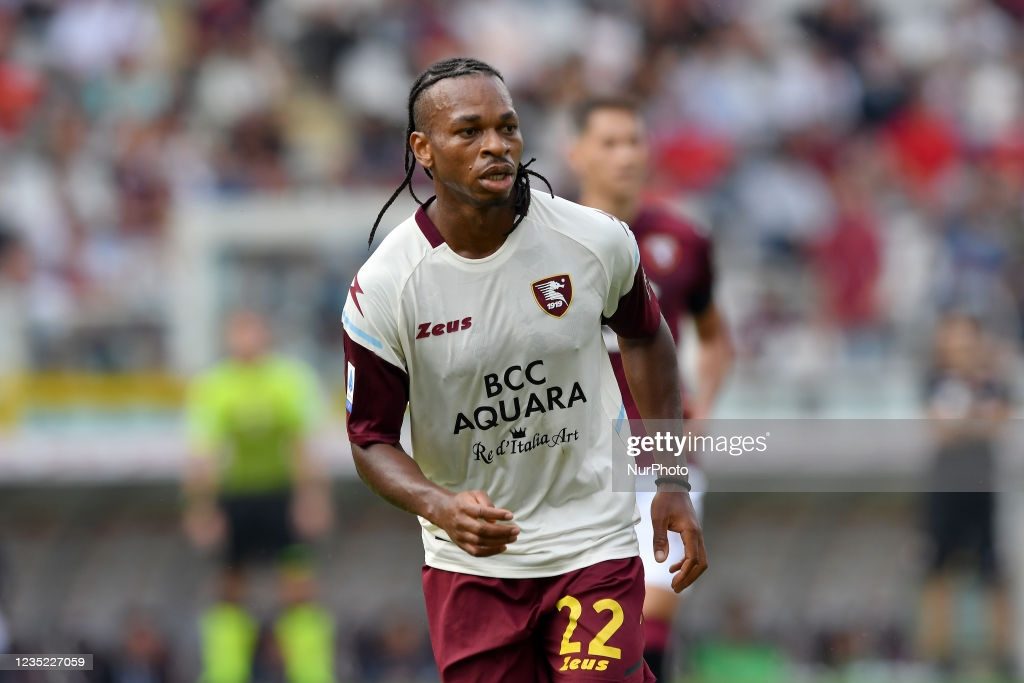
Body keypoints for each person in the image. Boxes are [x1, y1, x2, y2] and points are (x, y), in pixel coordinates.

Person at [343, 57, 707, 683]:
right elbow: (370, 438)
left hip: (592, 542)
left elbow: (647, 338)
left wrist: (669, 478)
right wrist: (439, 505)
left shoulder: (594, 241)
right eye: (469, 131)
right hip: (472, 566)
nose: (496, 145)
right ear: (422, 149)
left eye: (506, 127)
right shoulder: (385, 287)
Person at [568, 96, 733, 681]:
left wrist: (703, 404)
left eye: (634, 141)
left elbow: (715, 337)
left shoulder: (683, 239)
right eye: (609, 142)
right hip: (572, 458)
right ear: (577, 153)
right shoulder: (546, 240)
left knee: (651, 606)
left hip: (658, 455)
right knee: (581, 624)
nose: (625, 155)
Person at [184, 310, 335, 683]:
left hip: (281, 494)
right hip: (236, 495)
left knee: (298, 586)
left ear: (267, 335)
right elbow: (204, 453)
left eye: (252, 331)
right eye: (239, 332)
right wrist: (202, 508)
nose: (246, 340)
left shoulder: (289, 379)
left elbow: (302, 444)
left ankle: (310, 673)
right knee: (229, 586)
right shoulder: (215, 385)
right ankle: (224, 672)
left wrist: (312, 498)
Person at [917, 311, 1013, 676]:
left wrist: (966, 422)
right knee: (938, 570)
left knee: (992, 571)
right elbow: (940, 430)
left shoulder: (992, 381)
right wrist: (974, 421)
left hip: (982, 484)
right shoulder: (935, 380)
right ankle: (938, 655)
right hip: (945, 486)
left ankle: (1001, 654)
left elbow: (998, 422)